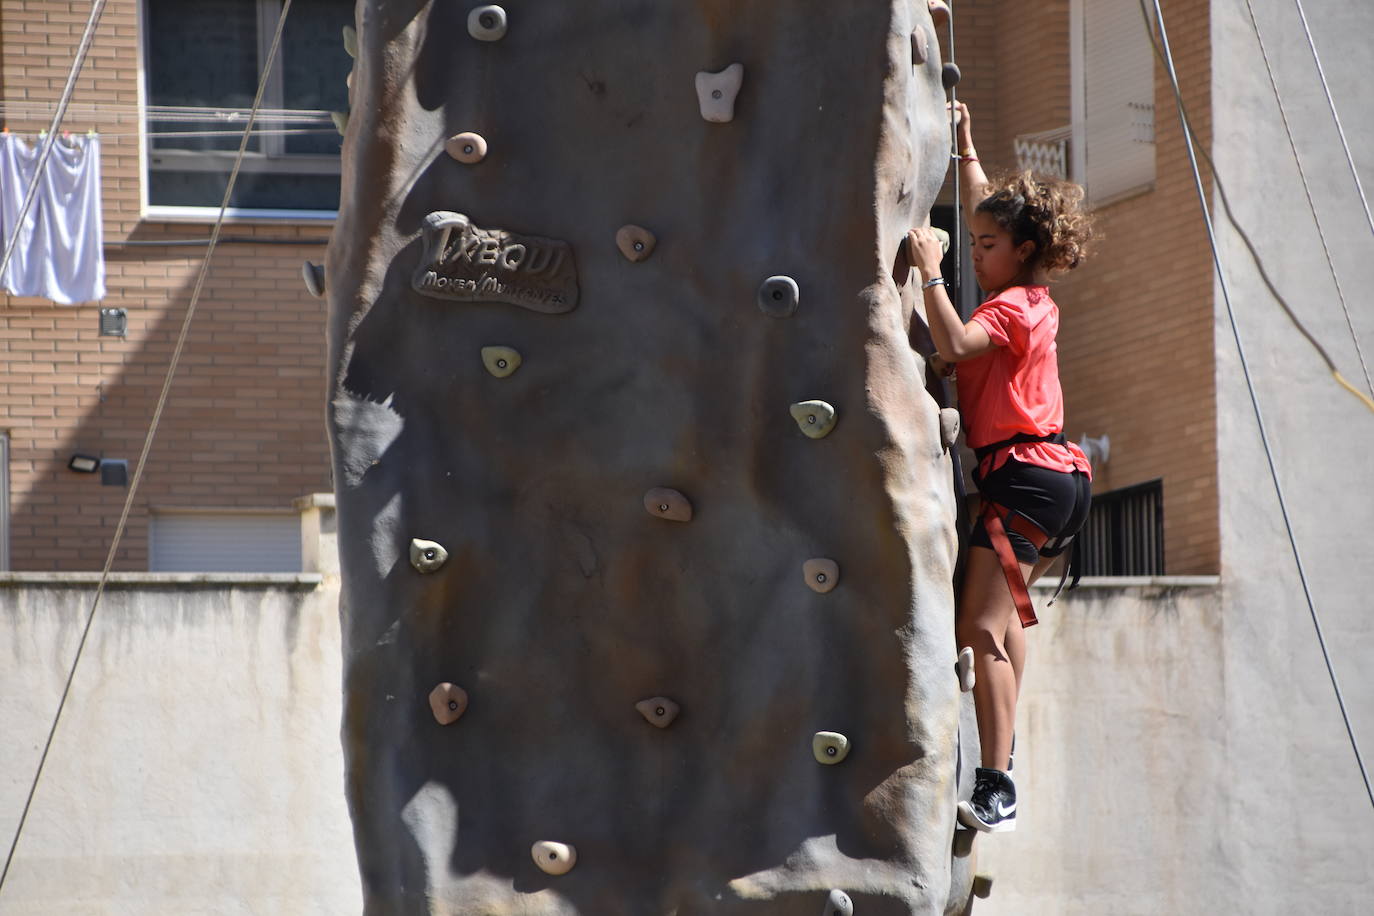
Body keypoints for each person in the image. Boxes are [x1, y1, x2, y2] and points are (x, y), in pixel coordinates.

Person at [907, 101, 1094, 834]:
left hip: (1022, 477)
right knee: (1008, 620)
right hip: (1057, 482)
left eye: (984, 245)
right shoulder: (1029, 294)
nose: (972, 251)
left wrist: (929, 270)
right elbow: (991, 212)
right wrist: (965, 145)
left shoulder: (1009, 310)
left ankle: (997, 786)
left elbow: (951, 344)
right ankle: (1004, 768)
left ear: (1018, 250)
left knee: (978, 628)